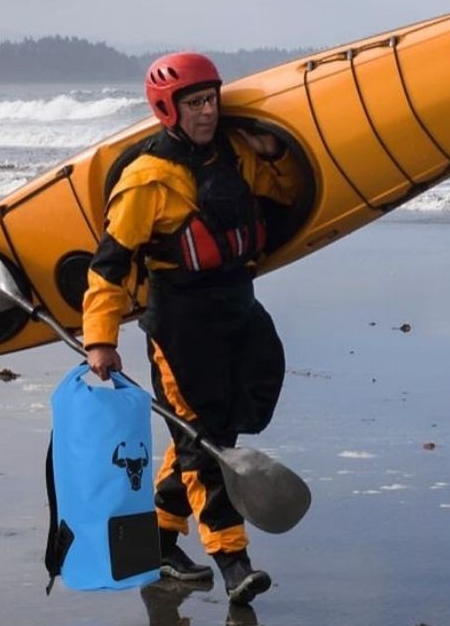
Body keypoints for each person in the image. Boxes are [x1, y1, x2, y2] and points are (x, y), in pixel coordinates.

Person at [82, 52, 304, 606]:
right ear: (168, 109)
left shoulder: (232, 156)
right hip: (180, 322)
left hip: (237, 306)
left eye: (212, 99)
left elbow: (283, 193)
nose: (208, 112)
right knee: (203, 442)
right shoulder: (145, 180)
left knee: (222, 422)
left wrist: (274, 152)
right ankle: (232, 561)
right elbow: (109, 263)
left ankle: (155, 541)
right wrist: (100, 339)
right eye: (195, 103)